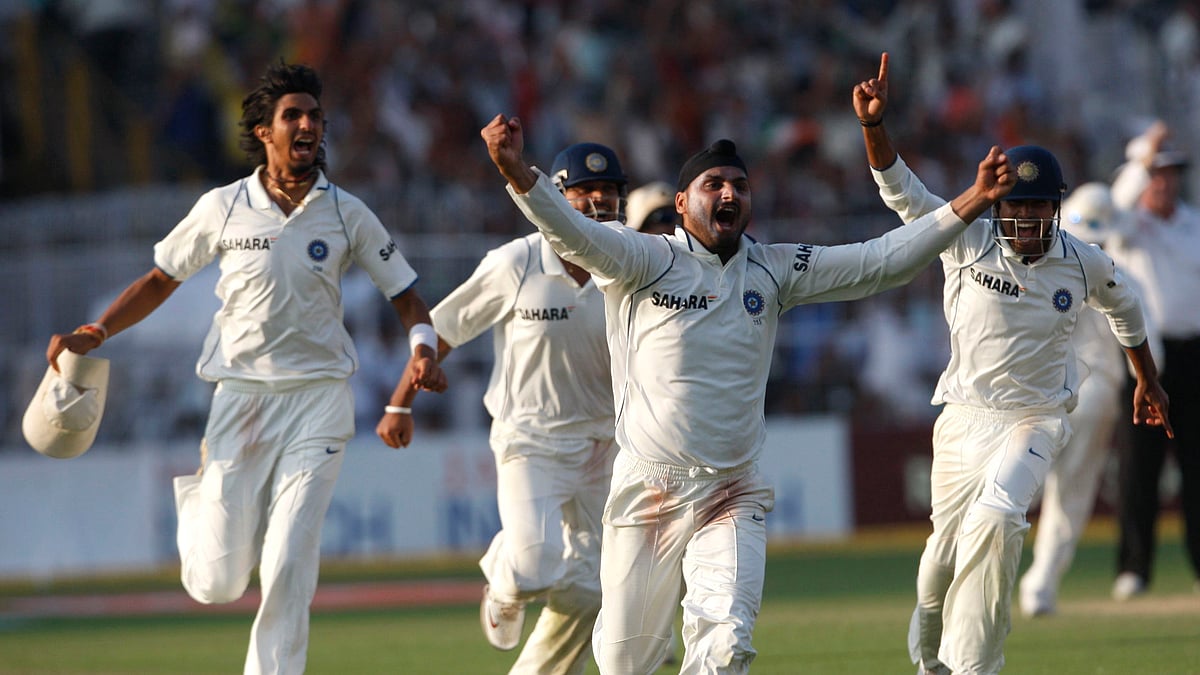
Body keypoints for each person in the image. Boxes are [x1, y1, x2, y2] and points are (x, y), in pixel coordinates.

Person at [482, 109, 1017, 674]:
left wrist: (974, 200)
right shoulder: (643, 259)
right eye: (713, 185)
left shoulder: (774, 268)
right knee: (623, 663)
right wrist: (517, 173)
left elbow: (880, 263)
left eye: (739, 185)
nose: (729, 193)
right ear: (683, 203)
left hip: (732, 491)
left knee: (726, 646)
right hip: (650, 491)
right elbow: (572, 231)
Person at [44, 61, 446, 675]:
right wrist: (97, 329)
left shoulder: (347, 212)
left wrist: (421, 345)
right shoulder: (224, 206)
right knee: (214, 583)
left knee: (289, 558)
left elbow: (405, 293)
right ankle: (200, 499)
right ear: (264, 130)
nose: (308, 124)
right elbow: (161, 278)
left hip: (319, 399)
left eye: (315, 116)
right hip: (241, 398)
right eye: (293, 115)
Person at [852, 53, 1172, 674]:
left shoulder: (1081, 260)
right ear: (999, 205)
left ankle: (978, 666)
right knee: (939, 561)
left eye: (1037, 207)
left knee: (1000, 517)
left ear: (1055, 207)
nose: (1025, 218)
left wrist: (1147, 378)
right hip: (964, 416)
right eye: (1015, 207)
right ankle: (929, 652)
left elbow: (1126, 308)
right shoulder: (965, 235)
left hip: (1037, 417)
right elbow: (900, 191)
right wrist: (874, 127)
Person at [376, 142, 624, 675]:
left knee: (593, 588)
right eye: (584, 192)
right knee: (534, 567)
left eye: (608, 191)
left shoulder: (628, 261)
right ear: (556, 199)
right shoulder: (517, 261)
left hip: (608, 443)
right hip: (531, 440)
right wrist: (400, 405)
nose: (599, 201)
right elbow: (443, 328)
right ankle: (503, 574)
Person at [1016, 182, 1129, 617]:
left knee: (1018, 486)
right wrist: (1148, 384)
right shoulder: (1115, 269)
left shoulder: (1039, 268)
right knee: (1071, 496)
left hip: (1045, 389)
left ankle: (1003, 576)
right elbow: (1144, 337)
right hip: (1097, 393)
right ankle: (1040, 586)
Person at [1107, 121, 1200, 600]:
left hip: (1194, 356)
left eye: (1171, 173)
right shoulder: (1128, 226)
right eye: (1156, 174)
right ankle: (1134, 569)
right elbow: (1113, 204)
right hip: (1146, 359)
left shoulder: (1194, 224)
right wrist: (1146, 157)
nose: (1165, 181)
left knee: (1196, 470)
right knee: (1138, 471)